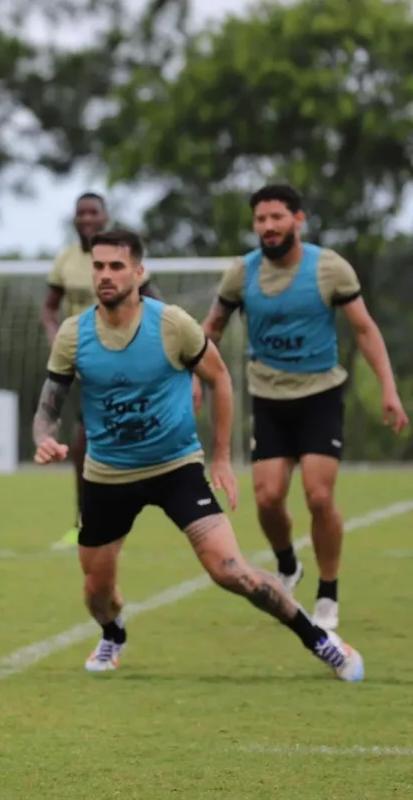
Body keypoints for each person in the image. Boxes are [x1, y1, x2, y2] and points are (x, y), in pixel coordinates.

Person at [32, 228, 363, 682]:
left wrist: (222, 458)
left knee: (231, 571)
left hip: (176, 468)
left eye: (116, 266)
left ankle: (321, 640)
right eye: (99, 267)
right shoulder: (73, 334)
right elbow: (48, 404)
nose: (105, 275)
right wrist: (43, 436)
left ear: (138, 271)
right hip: (107, 477)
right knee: (97, 591)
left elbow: (220, 378)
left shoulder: (171, 324)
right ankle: (113, 632)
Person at [201, 184, 407, 631]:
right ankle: (288, 564)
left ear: (298, 219)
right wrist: (187, 378)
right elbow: (211, 329)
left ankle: (328, 593)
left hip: (319, 396)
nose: (268, 226)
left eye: (277, 217)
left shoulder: (329, 268)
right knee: (267, 497)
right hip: (269, 398)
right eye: (260, 219)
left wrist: (388, 388)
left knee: (318, 495)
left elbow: (366, 330)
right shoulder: (242, 273)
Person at [40, 193, 162, 549]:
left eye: (94, 212)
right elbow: (49, 309)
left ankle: (122, 513)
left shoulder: (119, 258)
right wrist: (56, 339)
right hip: (89, 363)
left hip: (125, 356)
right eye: (81, 213)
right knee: (84, 444)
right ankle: (85, 522)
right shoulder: (66, 260)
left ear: (106, 217)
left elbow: (154, 301)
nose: (87, 218)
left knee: (123, 438)